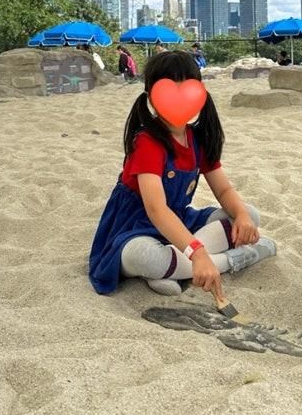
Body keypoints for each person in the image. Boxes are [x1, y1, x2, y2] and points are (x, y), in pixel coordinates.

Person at [89, 50, 276, 297]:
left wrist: (241, 215)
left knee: (249, 214)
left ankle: (172, 268)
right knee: (143, 256)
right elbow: (156, 210)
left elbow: (223, 190)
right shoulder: (147, 141)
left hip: (178, 220)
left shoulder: (197, 138)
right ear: (151, 98)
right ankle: (232, 260)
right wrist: (197, 253)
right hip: (135, 227)